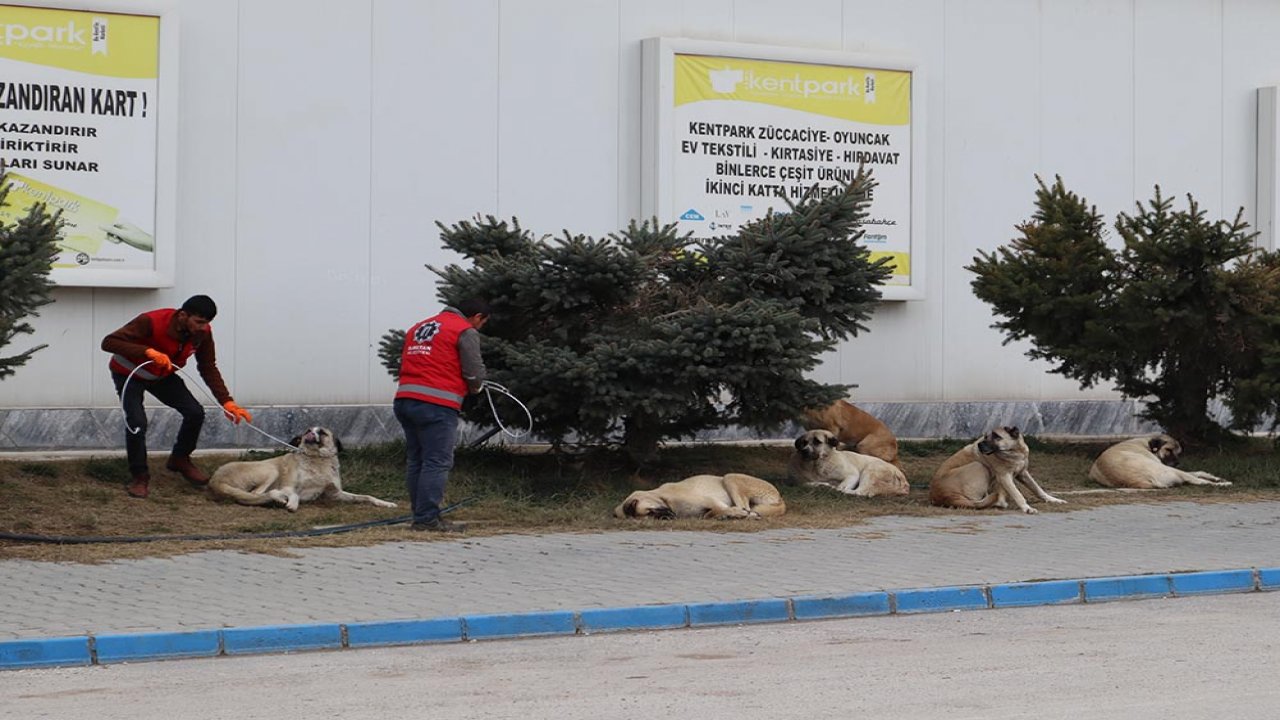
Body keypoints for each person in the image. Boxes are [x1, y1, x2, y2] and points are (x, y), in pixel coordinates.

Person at [101, 295, 253, 498]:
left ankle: (180, 459)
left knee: (195, 412)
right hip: (129, 373)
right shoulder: (151, 321)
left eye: (207, 323)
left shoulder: (202, 333)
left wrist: (227, 401)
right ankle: (140, 476)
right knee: (137, 423)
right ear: (183, 315)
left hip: (162, 376)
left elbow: (208, 367)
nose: (203, 327)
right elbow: (109, 342)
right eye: (199, 322)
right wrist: (147, 351)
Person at [393, 298, 490, 532]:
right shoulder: (464, 331)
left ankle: (420, 515)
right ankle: (427, 520)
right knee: (437, 462)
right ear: (477, 317)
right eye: (482, 323)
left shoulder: (419, 327)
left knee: (417, 460)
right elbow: (473, 370)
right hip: (436, 405)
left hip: (405, 399)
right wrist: (477, 387)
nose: (480, 327)